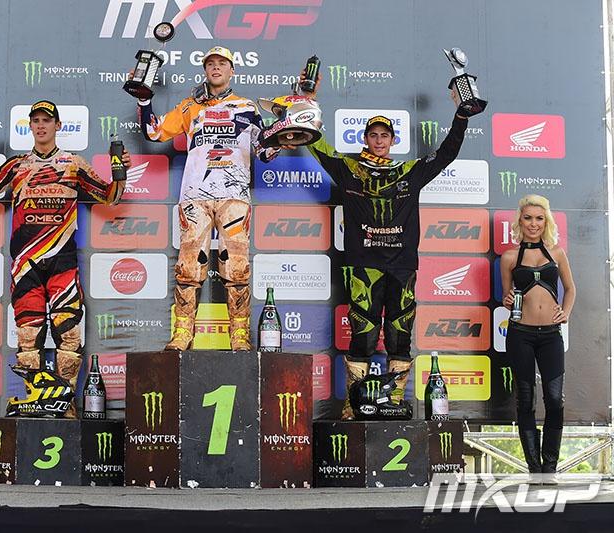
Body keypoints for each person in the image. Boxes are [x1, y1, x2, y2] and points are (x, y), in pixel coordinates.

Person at [294, 74, 471, 419]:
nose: (378, 140)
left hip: (403, 264)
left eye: (384, 135)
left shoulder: (410, 171)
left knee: (399, 336)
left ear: (392, 140)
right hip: (364, 263)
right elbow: (315, 142)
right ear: (365, 139)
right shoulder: (349, 169)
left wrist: (461, 117)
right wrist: (306, 102)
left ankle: (392, 401)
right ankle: (352, 404)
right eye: (373, 135)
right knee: (362, 336)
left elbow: (447, 153)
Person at [0, 100, 128, 418]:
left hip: (62, 260)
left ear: (58, 126)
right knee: (28, 335)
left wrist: (121, 172)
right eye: (35, 121)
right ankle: (36, 400)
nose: (41, 126)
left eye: (46, 121)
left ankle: (65, 403)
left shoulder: (74, 165)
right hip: (26, 263)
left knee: (69, 331)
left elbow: (110, 196)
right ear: (30, 126)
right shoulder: (16, 166)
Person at [136, 46, 278, 351]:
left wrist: (285, 134)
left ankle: (239, 337)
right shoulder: (190, 106)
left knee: (237, 268)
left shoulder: (247, 107)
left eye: (222, 63)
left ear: (232, 70)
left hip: (234, 195)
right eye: (211, 63)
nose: (216, 68)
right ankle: (182, 334)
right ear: (205, 70)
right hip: (195, 197)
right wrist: (144, 99)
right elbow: (153, 132)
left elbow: (265, 153)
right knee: (188, 268)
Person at [501, 194, 575, 479]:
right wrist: (507, 300)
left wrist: (565, 312)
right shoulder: (509, 257)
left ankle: (550, 466)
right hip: (520, 334)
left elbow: (571, 289)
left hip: (551, 336)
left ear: (547, 222)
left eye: (539, 218)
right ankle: (535, 470)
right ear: (520, 221)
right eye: (528, 218)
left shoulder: (556, 253)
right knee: (526, 401)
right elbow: (507, 297)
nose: (533, 223)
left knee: (555, 400)